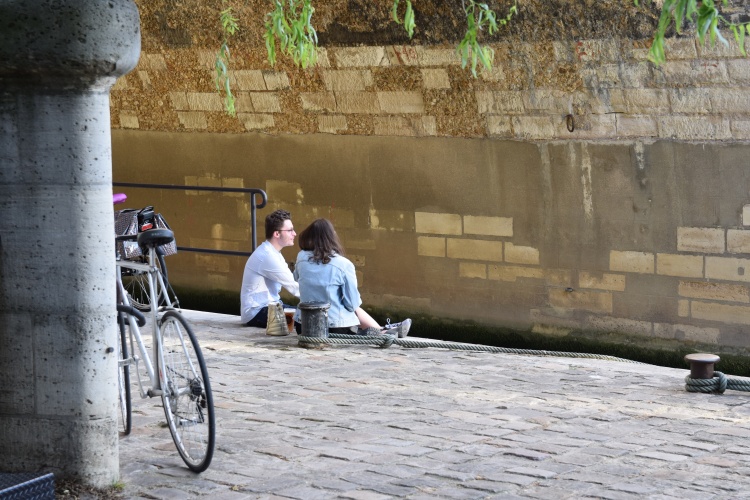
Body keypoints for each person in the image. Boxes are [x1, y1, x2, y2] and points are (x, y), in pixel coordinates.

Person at [293, 218, 411, 338]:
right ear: (332, 237)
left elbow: (296, 278)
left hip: (302, 325)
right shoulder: (344, 264)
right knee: (354, 307)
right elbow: (351, 303)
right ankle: (382, 331)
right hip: (334, 328)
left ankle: (382, 330)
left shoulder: (301, 257)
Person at [241, 209, 300, 327]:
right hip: (257, 313)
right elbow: (294, 287)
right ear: (277, 234)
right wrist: (319, 303)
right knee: (307, 317)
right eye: (290, 230)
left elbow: (293, 280)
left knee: (303, 314)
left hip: (270, 307)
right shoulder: (267, 256)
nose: (294, 233)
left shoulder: (272, 252)